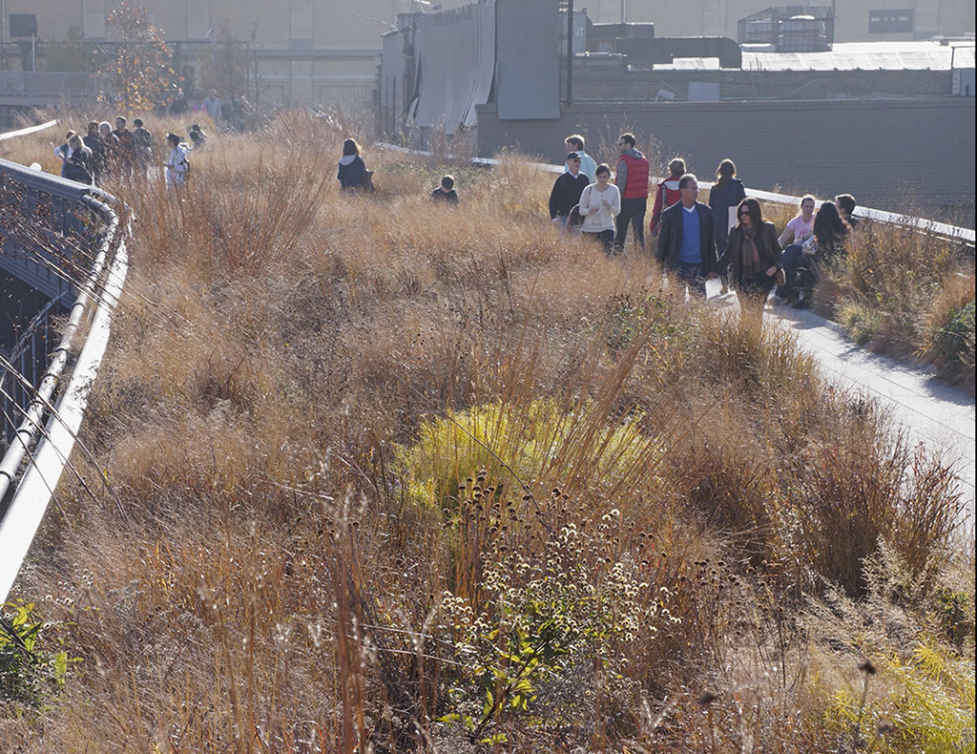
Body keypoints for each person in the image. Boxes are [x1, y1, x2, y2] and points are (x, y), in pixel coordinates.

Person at [777, 201, 850, 308]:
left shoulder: (822, 230)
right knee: (792, 251)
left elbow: (818, 250)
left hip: (820, 263)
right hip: (834, 263)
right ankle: (787, 291)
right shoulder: (844, 229)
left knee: (792, 253)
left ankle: (785, 291)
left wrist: (805, 249)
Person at [656, 173, 717, 297]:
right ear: (682, 190)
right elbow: (663, 243)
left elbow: (711, 241)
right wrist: (659, 267)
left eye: (697, 188)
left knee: (699, 306)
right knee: (677, 306)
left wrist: (712, 267)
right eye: (693, 188)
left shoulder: (706, 212)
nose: (696, 191)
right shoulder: (670, 214)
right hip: (678, 266)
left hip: (699, 266)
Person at [724, 198, 781, 326]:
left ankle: (755, 341)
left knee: (756, 311)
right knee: (745, 312)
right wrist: (714, 268)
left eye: (747, 213)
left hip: (763, 277)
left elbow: (778, 252)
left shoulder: (767, 229)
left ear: (755, 213)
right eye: (741, 213)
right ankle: (745, 343)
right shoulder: (735, 231)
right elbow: (728, 254)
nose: (743, 216)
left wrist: (775, 267)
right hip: (742, 277)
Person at [614, 133, 650, 252]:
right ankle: (640, 257)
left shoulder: (624, 160)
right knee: (638, 231)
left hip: (627, 200)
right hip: (641, 200)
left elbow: (621, 183)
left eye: (621, 144)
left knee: (621, 230)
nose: (619, 146)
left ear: (628, 144)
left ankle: (617, 255)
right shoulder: (644, 160)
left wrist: (616, 200)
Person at [577, 163, 621, 254]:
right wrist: (589, 211)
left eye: (604, 177)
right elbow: (581, 210)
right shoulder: (588, 189)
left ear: (609, 177)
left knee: (606, 257)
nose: (602, 180)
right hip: (589, 228)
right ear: (596, 177)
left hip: (607, 228)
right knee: (588, 257)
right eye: (600, 177)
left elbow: (617, 211)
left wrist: (609, 206)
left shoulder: (614, 189)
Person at [549, 152, 590, 229]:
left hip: (580, 218)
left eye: (579, 161)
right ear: (568, 162)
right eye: (575, 160)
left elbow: (589, 198)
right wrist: (553, 217)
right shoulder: (561, 179)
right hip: (563, 217)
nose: (577, 163)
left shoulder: (584, 179)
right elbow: (553, 199)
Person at [649, 157, 687, 236]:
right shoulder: (688, 186)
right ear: (683, 170)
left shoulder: (664, 186)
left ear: (670, 170)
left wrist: (653, 225)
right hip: (683, 221)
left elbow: (657, 207)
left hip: (666, 221)